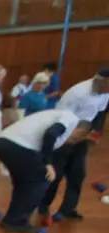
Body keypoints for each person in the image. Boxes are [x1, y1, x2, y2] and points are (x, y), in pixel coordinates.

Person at [0, 109, 90, 233]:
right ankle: (16, 221)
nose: (71, 142)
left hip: (3, 143)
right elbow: (50, 134)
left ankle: (12, 220)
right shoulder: (70, 119)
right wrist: (48, 163)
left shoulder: (56, 116)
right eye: (76, 139)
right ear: (81, 131)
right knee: (42, 179)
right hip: (19, 146)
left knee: (25, 184)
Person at [40, 68, 108, 222]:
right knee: (56, 173)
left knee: (78, 173)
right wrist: (70, 137)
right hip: (65, 135)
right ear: (104, 81)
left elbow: (99, 114)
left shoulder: (105, 94)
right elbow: (59, 117)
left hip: (82, 135)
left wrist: (95, 132)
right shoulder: (77, 94)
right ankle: (43, 205)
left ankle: (68, 209)